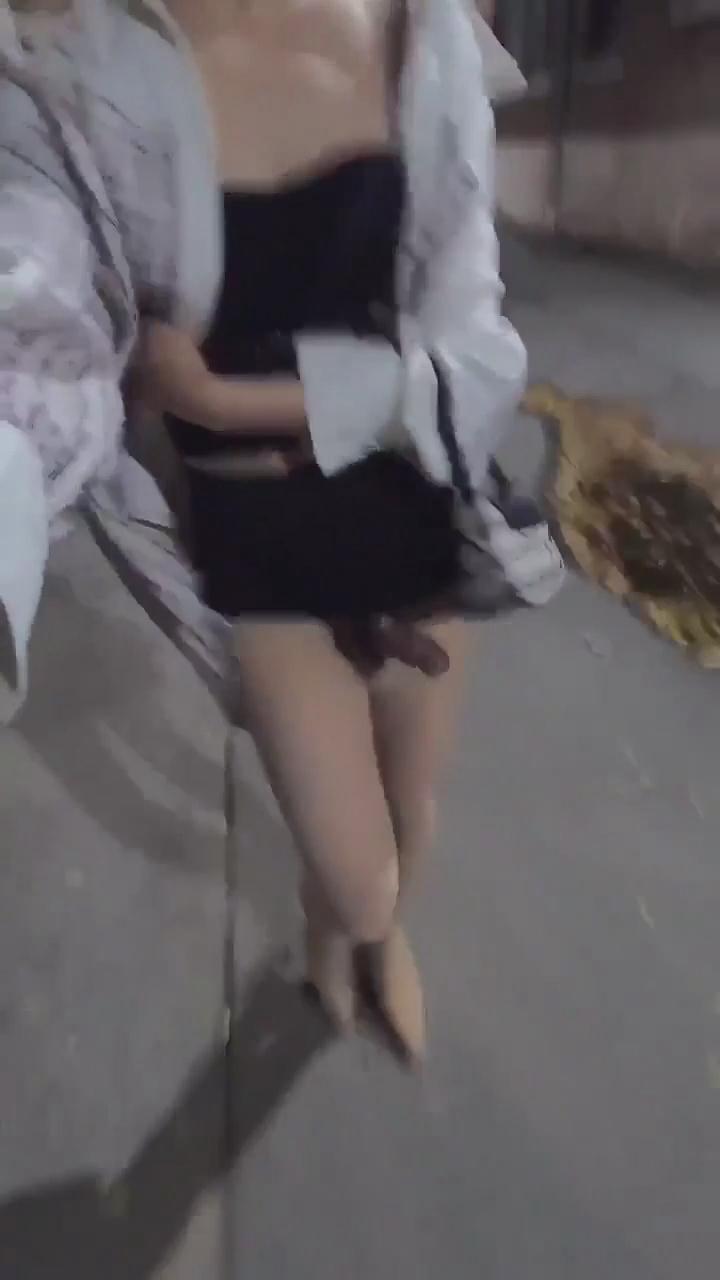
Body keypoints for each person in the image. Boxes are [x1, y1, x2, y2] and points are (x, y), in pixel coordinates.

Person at [0, 0, 527, 1061]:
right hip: (264, 538)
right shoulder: (68, 67)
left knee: (412, 801)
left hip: (419, 502)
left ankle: (370, 942)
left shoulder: (428, 33)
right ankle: (351, 922)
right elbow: (31, 350)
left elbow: (479, 355)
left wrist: (225, 399)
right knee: (359, 870)